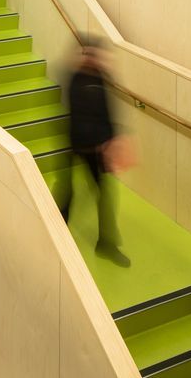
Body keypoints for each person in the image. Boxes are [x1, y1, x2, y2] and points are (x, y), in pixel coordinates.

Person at [64, 45, 130, 267]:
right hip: (78, 146)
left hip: (98, 149)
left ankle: (106, 244)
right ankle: (56, 233)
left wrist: (112, 140)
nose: (94, 59)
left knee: (105, 195)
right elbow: (80, 116)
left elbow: (108, 113)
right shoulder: (76, 80)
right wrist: (100, 143)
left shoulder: (101, 78)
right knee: (67, 192)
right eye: (89, 54)